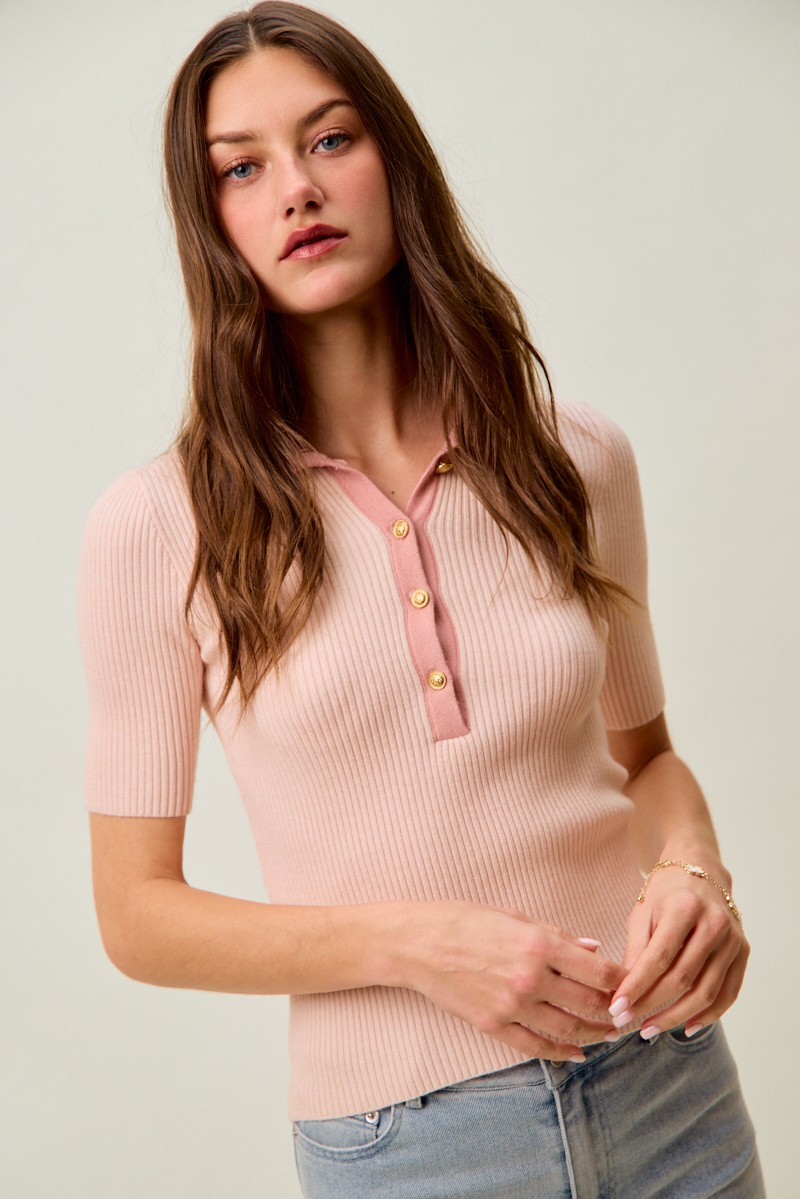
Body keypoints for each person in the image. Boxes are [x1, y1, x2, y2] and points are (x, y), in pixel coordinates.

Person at [77, 3, 765, 1196]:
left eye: (329, 139)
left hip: (669, 1089)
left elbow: (646, 759)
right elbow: (136, 913)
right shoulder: (160, 524)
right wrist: (413, 942)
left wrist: (693, 869)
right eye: (242, 167)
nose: (297, 188)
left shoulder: (571, 456)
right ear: (212, 220)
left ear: (393, 160)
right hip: (409, 1146)